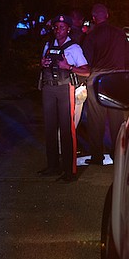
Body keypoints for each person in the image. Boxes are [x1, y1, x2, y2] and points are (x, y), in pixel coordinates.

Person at [38, 14, 90, 182]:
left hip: (65, 89)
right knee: (50, 129)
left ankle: (69, 171)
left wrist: (68, 66)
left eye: (61, 27)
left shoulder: (74, 48)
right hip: (48, 88)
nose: (58, 30)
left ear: (68, 29)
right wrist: (43, 63)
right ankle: (52, 166)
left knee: (67, 130)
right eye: (55, 27)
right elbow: (44, 63)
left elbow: (87, 71)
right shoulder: (48, 44)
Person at [81, 3, 129, 166]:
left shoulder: (91, 35)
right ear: (107, 15)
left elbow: (85, 62)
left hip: (97, 78)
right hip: (117, 78)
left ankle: (97, 156)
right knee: (116, 118)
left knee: (96, 119)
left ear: (94, 18)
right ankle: (118, 153)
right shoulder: (119, 34)